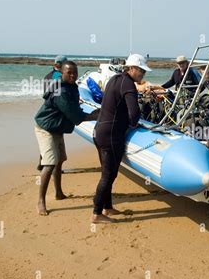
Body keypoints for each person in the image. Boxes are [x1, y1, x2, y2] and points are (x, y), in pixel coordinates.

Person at [92, 54, 152, 224]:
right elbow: (134, 113)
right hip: (111, 135)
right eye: (141, 71)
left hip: (99, 131)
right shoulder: (128, 85)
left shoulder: (114, 79)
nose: (142, 75)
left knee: (107, 172)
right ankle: (96, 213)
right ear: (131, 68)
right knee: (108, 175)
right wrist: (133, 125)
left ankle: (107, 207)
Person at [34, 61, 99, 216]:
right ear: (61, 73)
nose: (73, 75)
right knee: (49, 163)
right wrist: (96, 115)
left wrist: (92, 112)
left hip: (57, 127)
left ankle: (58, 193)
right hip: (45, 128)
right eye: (69, 73)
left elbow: (75, 107)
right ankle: (40, 201)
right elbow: (75, 116)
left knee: (60, 159)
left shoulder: (72, 86)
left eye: (75, 72)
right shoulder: (61, 91)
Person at [37, 55, 68, 170]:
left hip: (48, 109)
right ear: (59, 65)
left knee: (47, 142)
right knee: (53, 141)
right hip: (55, 112)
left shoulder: (47, 76)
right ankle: (52, 166)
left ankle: (42, 162)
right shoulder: (58, 77)